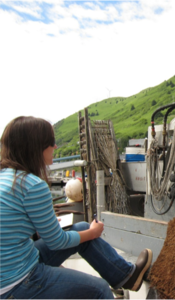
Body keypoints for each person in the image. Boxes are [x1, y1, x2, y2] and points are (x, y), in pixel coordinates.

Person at [0, 116, 153, 299]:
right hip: (15, 282)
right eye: (51, 142)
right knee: (99, 289)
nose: (55, 147)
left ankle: (126, 276)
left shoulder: (6, 177)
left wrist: (41, 224)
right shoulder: (32, 185)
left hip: (14, 264)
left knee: (81, 227)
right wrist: (93, 233)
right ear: (36, 147)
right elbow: (56, 242)